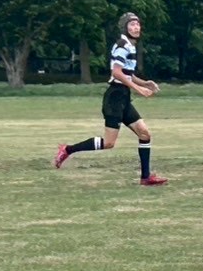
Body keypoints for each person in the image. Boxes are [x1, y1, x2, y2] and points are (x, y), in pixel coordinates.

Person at [54, 12, 167, 185]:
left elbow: (128, 74)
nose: (136, 27)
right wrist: (138, 89)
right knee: (108, 143)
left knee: (144, 133)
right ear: (125, 27)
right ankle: (68, 149)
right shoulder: (122, 45)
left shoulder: (130, 46)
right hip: (114, 98)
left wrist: (145, 83)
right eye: (132, 24)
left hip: (123, 98)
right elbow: (116, 73)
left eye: (137, 24)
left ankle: (146, 177)